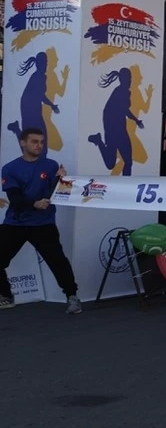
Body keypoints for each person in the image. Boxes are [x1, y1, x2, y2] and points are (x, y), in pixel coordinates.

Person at [0, 129, 81, 313]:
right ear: (23, 143)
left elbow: (61, 192)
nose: (39, 145)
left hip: (43, 224)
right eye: (34, 141)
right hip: (15, 223)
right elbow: (15, 199)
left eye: (42, 142)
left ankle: (72, 297)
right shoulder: (10, 168)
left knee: (58, 261)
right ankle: (6, 295)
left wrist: (63, 180)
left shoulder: (51, 165)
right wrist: (34, 204)